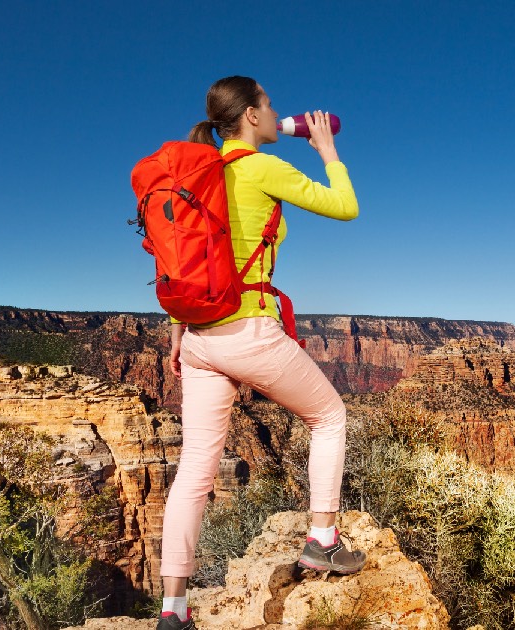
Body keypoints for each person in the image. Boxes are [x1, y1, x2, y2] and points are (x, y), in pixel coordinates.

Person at [156, 76, 365, 630]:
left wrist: (179, 329)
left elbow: (193, 258)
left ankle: (173, 610)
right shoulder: (259, 167)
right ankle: (322, 538)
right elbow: (345, 207)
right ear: (250, 116)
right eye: (270, 105)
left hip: (200, 338)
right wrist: (326, 150)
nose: (279, 114)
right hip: (248, 332)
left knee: (194, 472)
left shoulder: (202, 172)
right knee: (329, 416)